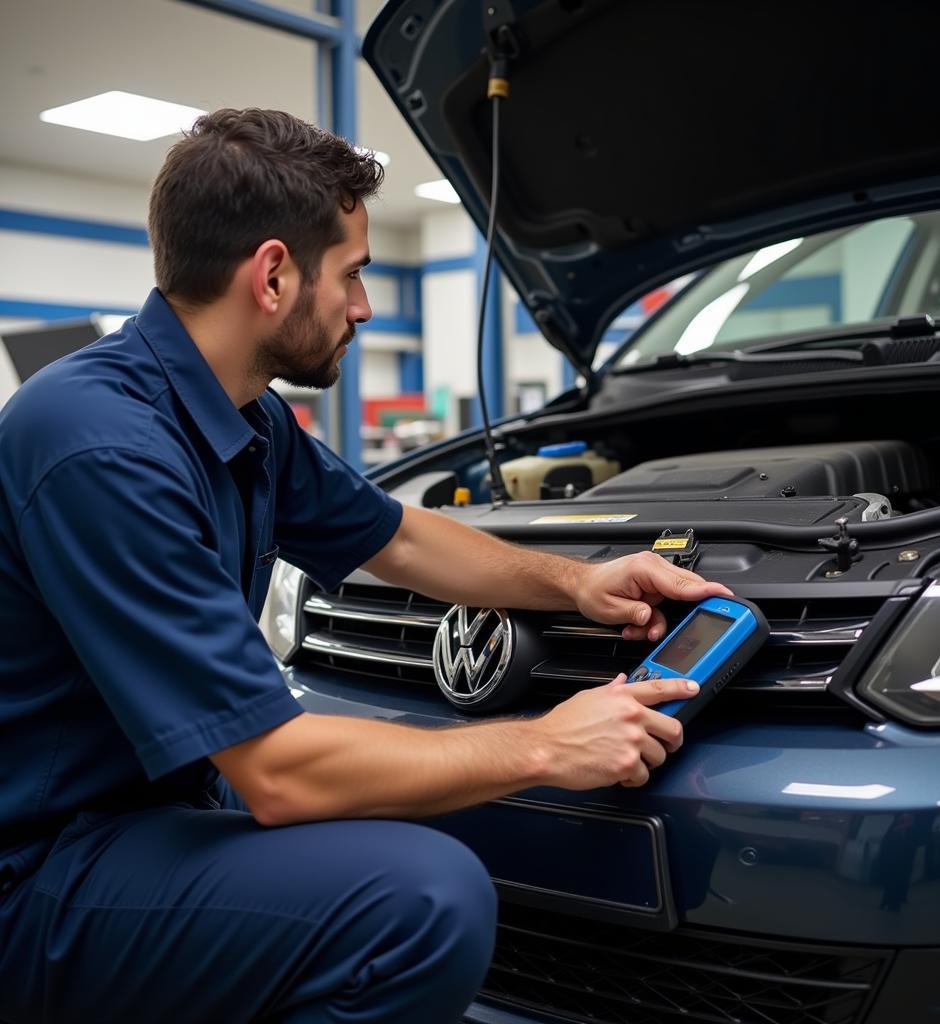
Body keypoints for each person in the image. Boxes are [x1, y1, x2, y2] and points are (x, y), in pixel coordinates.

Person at [0, 108, 731, 1024]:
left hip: (154, 803)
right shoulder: (95, 442)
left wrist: (578, 583)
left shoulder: (249, 418)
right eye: (351, 275)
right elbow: (280, 774)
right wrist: (547, 744)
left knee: (421, 806)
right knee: (420, 900)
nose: (364, 307)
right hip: (40, 865)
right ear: (272, 275)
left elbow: (403, 538)